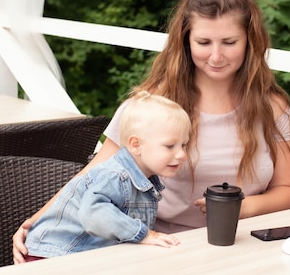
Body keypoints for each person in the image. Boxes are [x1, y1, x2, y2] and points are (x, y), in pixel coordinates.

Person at [13, 0, 290, 263]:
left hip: (247, 246)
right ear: (186, 41)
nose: (216, 56)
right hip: (164, 247)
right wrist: (35, 221)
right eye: (203, 42)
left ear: (249, 42)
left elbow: (289, 188)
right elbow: (92, 176)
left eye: (229, 42)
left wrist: (246, 208)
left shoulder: (273, 109)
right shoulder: (154, 105)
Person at [24, 90, 188, 261]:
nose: (181, 154)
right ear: (136, 145)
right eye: (170, 146)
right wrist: (145, 235)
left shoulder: (144, 179)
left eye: (183, 145)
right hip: (52, 254)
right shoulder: (115, 176)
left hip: (82, 257)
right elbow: (93, 213)